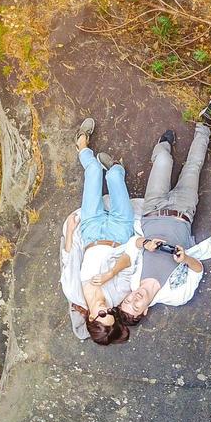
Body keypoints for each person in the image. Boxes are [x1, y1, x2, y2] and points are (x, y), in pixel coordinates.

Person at [116, 100, 211, 325]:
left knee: (165, 160)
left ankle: (162, 146)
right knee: (193, 166)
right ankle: (206, 123)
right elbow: (198, 270)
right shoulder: (175, 296)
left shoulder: (132, 278)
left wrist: (144, 244)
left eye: (128, 301)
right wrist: (185, 259)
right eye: (136, 306)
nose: (134, 298)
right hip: (183, 212)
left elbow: (130, 245)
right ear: (144, 312)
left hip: (153, 209)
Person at [60, 118, 138, 345]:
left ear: (92, 317)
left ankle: (81, 144)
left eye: (102, 315)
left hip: (91, 231)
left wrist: (72, 232)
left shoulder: (74, 292)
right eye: (111, 315)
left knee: (93, 169)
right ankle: (116, 167)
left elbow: (69, 258)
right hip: (119, 232)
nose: (107, 310)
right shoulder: (118, 295)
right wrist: (109, 274)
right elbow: (129, 260)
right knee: (114, 175)